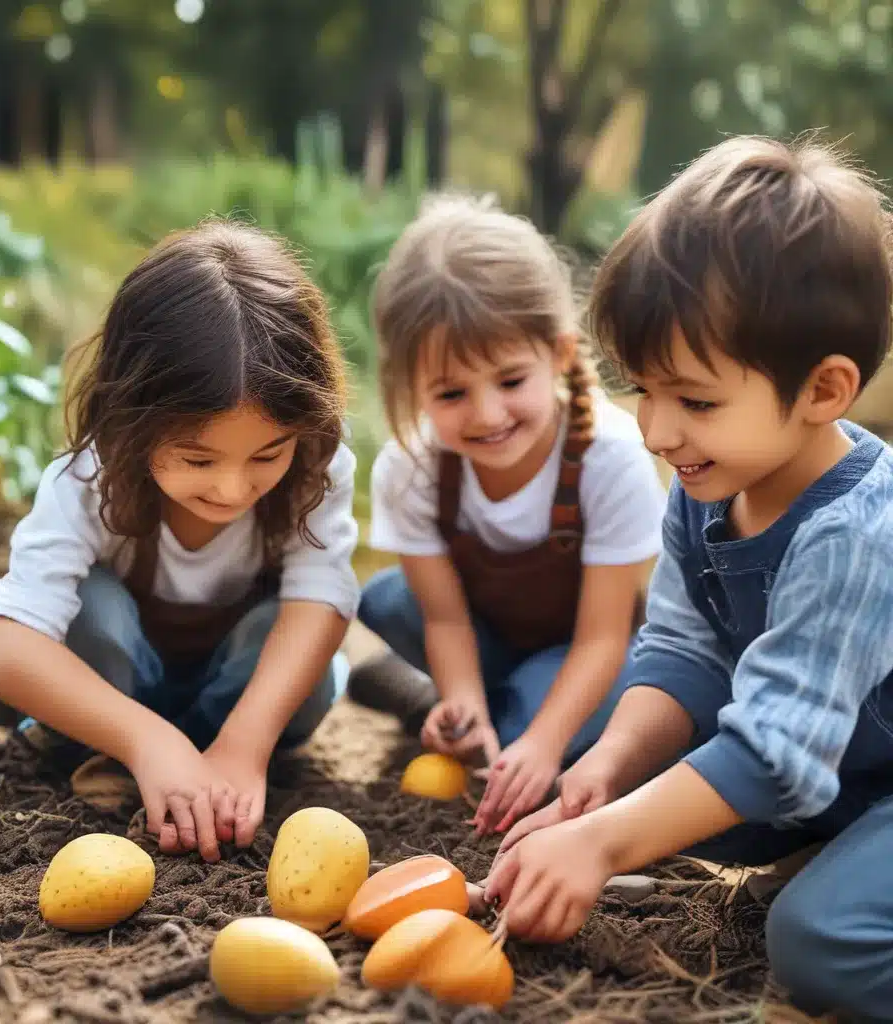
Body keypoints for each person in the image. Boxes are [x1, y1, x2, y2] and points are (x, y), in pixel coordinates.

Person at [483, 135, 893, 1022]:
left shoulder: (857, 531)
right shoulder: (711, 480)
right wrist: (608, 772)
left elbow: (776, 755)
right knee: (641, 771)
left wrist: (600, 843)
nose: (658, 432)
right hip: (831, 768)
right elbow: (682, 646)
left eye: (696, 400)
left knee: (820, 947)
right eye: (642, 390)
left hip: (855, 772)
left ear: (825, 391)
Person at [0, 219, 359, 864]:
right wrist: (148, 741)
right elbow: (3, 652)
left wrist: (245, 747)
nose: (232, 488)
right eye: (198, 460)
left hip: (230, 693)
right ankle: (111, 746)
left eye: (267, 454)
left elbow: (322, 598)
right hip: (121, 692)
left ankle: (207, 752)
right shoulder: (89, 480)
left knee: (306, 662)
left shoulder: (316, 467)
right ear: (130, 419)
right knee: (90, 612)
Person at [349, 194, 667, 836]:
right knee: (385, 601)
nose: (488, 415)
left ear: (556, 353)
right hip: (480, 635)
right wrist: (463, 699)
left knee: (528, 741)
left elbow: (604, 636)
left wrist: (545, 744)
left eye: (511, 381)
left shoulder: (610, 457)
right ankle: (464, 704)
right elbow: (442, 615)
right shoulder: (410, 468)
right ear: (412, 387)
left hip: (586, 650)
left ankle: (429, 703)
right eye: (451, 393)